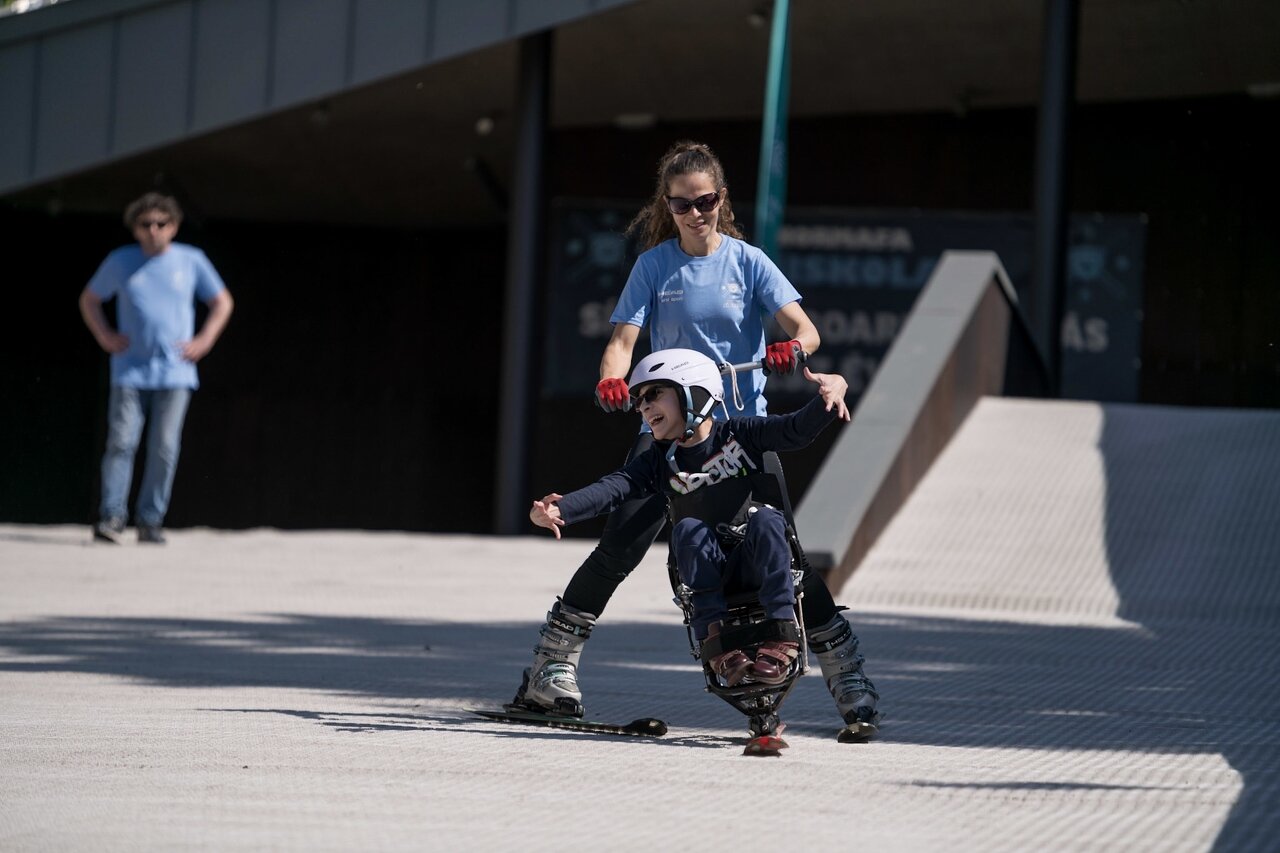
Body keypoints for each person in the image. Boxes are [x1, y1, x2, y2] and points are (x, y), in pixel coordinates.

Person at [514, 140, 879, 731]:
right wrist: (612, 378)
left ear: (721, 199)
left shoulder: (748, 262)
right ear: (669, 205)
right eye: (682, 205)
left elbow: (805, 331)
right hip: (671, 434)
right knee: (621, 548)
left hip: (740, 430)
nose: (695, 213)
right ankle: (550, 669)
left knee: (786, 556)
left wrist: (792, 346)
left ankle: (847, 676)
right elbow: (623, 343)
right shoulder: (654, 265)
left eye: (705, 201)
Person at [530, 350, 852, 693]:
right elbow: (615, 487)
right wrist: (562, 510)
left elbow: (794, 431)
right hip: (707, 571)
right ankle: (718, 643)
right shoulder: (656, 462)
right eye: (639, 401)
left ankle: (783, 636)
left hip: (758, 560)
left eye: (653, 394)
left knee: (768, 519)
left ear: (694, 391)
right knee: (687, 529)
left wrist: (831, 393)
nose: (643, 407)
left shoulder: (740, 434)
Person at [78, 192, 234, 545]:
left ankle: (151, 520)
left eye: (161, 224)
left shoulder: (191, 261)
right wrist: (104, 335)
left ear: (174, 226)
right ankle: (112, 517)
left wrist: (205, 339)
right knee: (122, 441)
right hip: (130, 370)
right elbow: (90, 299)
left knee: (164, 446)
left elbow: (222, 301)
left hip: (176, 372)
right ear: (135, 229)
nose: (153, 230)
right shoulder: (120, 261)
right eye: (145, 224)